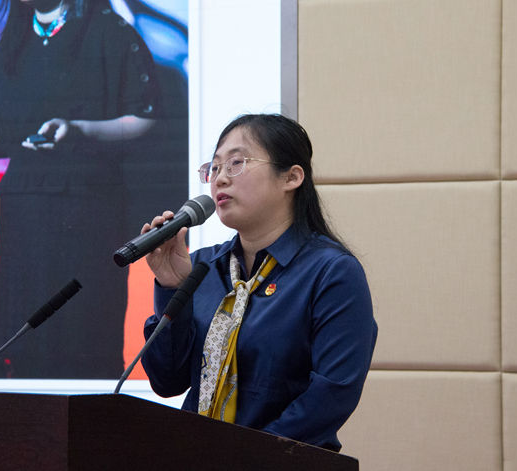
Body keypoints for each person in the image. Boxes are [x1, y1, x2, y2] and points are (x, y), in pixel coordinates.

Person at [0, 0, 178, 378]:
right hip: (23, 212)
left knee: (80, 336)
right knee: (22, 338)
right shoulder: (15, 41)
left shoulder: (109, 31)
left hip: (86, 209)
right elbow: (3, 134)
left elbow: (146, 117)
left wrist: (79, 130)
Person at [140, 114, 378, 451]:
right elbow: (167, 381)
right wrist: (171, 288)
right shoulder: (201, 267)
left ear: (291, 177)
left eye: (236, 163)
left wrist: (243, 457)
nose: (220, 178)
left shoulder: (332, 272)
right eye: (214, 168)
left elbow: (332, 395)